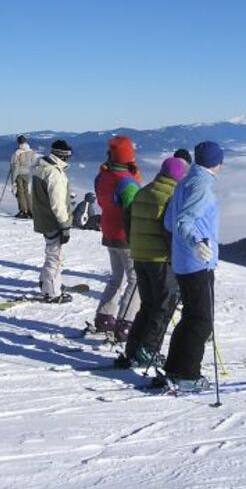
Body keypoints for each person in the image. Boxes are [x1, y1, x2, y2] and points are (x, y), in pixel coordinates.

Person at [161, 141, 223, 392]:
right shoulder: (202, 186)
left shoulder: (184, 182)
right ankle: (186, 374)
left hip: (182, 261)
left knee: (191, 317)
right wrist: (196, 243)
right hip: (198, 262)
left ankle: (176, 367)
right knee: (201, 320)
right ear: (218, 162)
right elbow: (182, 222)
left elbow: (168, 221)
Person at [115, 156, 188, 369]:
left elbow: (127, 221)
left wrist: (135, 245)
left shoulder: (143, 191)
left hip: (139, 256)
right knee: (164, 305)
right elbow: (170, 230)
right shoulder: (172, 196)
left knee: (147, 305)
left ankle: (134, 348)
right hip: (160, 258)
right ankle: (149, 349)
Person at [94, 136, 143, 341]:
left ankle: (104, 316)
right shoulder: (127, 181)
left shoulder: (102, 176)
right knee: (135, 279)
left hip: (108, 231)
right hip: (125, 235)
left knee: (116, 277)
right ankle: (126, 322)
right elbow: (134, 211)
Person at [31, 139, 74, 302]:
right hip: (53, 220)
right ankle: (52, 291)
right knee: (56, 257)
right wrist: (65, 225)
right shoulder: (54, 174)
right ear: (63, 156)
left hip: (43, 218)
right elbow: (58, 204)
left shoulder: (40, 167)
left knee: (51, 252)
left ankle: (46, 283)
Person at [10, 135, 35, 218]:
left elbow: (15, 167)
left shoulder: (17, 153)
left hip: (19, 174)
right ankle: (31, 211)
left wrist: (13, 179)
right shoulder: (31, 151)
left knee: (20, 192)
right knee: (27, 192)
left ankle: (23, 211)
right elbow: (34, 163)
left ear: (18, 142)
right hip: (28, 173)